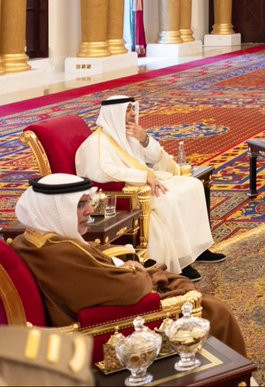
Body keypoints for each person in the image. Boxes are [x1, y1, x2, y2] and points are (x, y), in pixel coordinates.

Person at [10, 174, 247, 357]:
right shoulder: (58, 254)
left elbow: (94, 272)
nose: (90, 211)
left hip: (110, 303)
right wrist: (139, 272)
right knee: (215, 312)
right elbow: (130, 290)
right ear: (53, 211)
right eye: (80, 205)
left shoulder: (33, 239)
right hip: (112, 327)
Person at [74, 95, 221, 280]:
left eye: (133, 108)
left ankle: (199, 249)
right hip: (131, 190)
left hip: (149, 181)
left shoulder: (130, 134)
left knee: (193, 185)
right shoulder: (97, 143)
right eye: (127, 110)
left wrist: (144, 139)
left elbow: (155, 157)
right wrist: (143, 176)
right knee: (170, 199)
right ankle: (182, 261)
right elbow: (101, 171)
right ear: (114, 114)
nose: (133, 113)